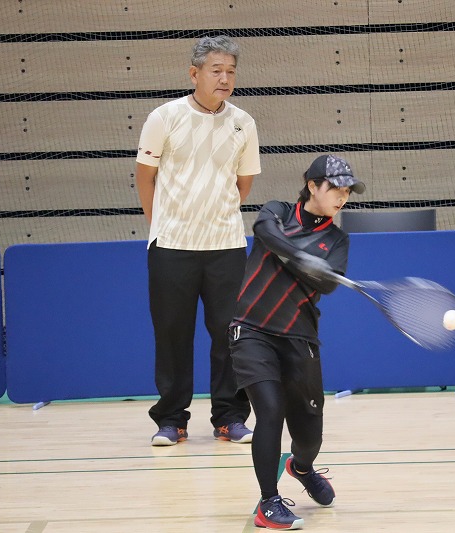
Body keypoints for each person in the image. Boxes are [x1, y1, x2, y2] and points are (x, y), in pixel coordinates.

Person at [229, 154, 366, 530]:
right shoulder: (277, 211)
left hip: (299, 338)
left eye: (347, 191)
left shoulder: (337, 239)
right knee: (270, 411)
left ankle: (301, 467)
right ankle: (268, 502)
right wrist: (302, 258)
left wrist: (314, 269)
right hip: (252, 330)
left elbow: (326, 283)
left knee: (309, 435)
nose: (343, 197)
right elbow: (265, 232)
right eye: (335, 188)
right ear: (312, 185)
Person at [135, 35, 260, 446]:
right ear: (194, 73)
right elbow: (145, 177)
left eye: (231, 72)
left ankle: (230, 417)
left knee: (231, 335)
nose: (225, 79)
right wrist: (161, 224)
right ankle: (171, 420)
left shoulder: (244, 122)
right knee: (172, 335)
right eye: (216, 70)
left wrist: (216, 214)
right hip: (172, 246)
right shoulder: (164, 117)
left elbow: (243, 184)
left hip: (226, 246)